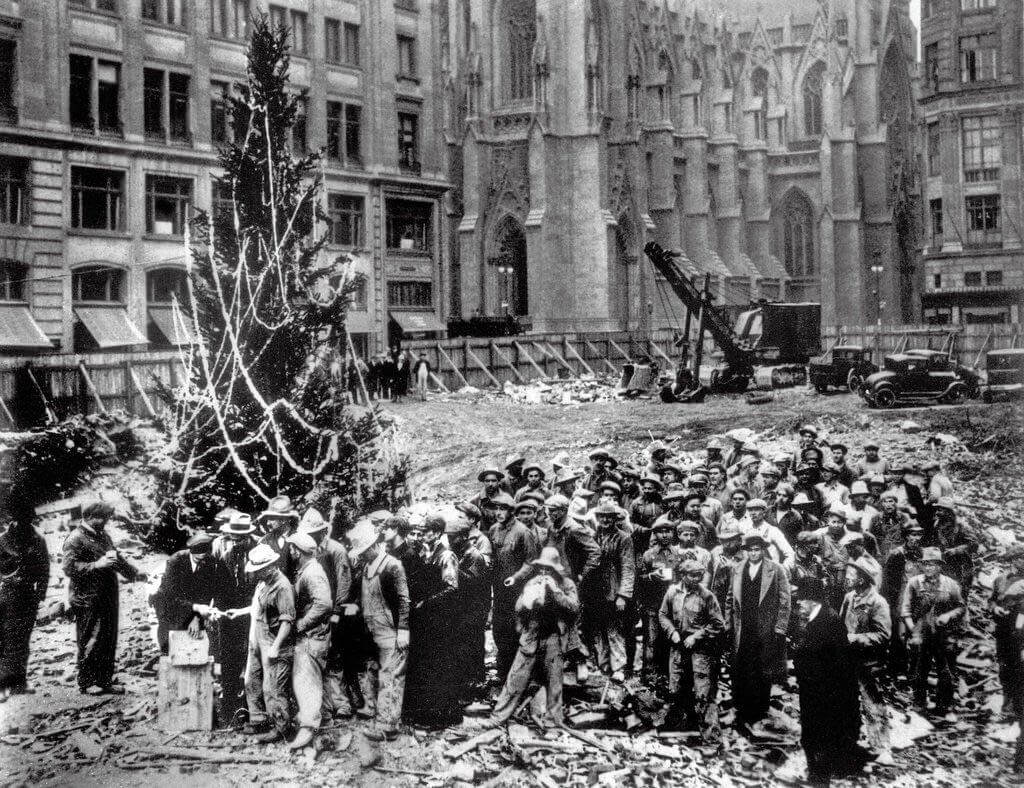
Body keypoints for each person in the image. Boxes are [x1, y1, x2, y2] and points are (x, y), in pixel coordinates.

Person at [489, 547, 580, 727]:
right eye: (542, 569)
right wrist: (530, 598)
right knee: (515, 678)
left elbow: (574, 608)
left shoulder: (566, 584)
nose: (545, 572)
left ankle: (553, 722)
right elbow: (518, 607)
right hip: (532, 634)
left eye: (549, 569)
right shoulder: (532, 582)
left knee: (554, 682)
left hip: (554, 636)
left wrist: (556, 593)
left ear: (556, 569)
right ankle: (498, 717)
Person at [62, 501, 143, 696]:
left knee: (108, 638)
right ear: (89, 517)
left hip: (108, 594)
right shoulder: (75, 538)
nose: (105, 521)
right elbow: (69, 568)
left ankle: (104, 680)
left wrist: (135, 574)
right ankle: (87, 682)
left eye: (107, 518)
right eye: (102, 518)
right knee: (91, 638)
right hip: (87, 597)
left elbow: (116, 560)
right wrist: (96, 565)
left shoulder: (103, 536)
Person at [791, 576, 865, 784]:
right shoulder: (815, 618)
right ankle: (818, 770)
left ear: (813, 600)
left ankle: (820, 776)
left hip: (825, 689)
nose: (798, 604)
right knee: (814, 730)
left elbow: (836, 660)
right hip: (813, 685)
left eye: (801, 600)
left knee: (821, 731)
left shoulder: (829, 621)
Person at [349, 518, 410, 740]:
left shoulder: (393, 566)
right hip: (372, 629)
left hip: (391, 631)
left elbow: (404, 600)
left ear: (375, 545)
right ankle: (375, 711)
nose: (363, 555)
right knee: (373, 671)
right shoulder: (366, 567)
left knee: (391, 676)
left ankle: (387, 726)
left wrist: (403, 630)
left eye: (365, 551)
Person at [298, 507, 361, 719]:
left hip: (340, 611)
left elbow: (344, 585)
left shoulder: (335, 550)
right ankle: (326, 706)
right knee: (323, 658)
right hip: (321, 612)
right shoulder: (311, 552)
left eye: (312, 533)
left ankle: (343, 703)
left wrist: (335, 615)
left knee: (338, 656)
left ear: (320, 532)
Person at [725, 533, 790, 735]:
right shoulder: (737, 568)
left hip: (765, 628)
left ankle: (760, 710)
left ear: (763, 550)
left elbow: (785, 601)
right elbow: (729, 598)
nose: (754, 553)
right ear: (745, 551)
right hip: (742, 627)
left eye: (757, 549)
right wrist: (729, 624)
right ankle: (741, 708)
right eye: (750, 550)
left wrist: (779, 628)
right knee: (742, 665)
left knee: (763, 667)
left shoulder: (776, 569)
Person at [659, 559, 725, 745]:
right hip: (678, 646)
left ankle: (711, 739)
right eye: (692, 575)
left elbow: (718, 623)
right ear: (683, 575)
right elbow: (663, 614)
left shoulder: (707, 596)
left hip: (701, 650)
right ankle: (679, 731)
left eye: (700, 575)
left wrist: (696, 636)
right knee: (676, 688)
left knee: (703, 692)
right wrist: (671, 632)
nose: (697, 579)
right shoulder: (672, 592)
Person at [404, 514, 461, 728]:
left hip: (441, 618)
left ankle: (443, 716)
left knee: (440, 665)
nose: (421, 535)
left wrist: (426, 603)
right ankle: (427, 713)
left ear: (436, 533)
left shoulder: (446, 556)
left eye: (426, 531)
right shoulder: (424, 553)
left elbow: (451, 589)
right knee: (427, 664)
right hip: (427, 618)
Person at [841, 557, 895, 766]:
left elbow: (883, 635)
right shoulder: (849, 597)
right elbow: (841, 624)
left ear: (862, 580)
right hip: (848, 660)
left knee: (873, 705)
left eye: (851, 575)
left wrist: (857, 638)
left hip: (869, 662)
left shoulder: (878, 603)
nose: (847, 578)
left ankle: (882, 748)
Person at [239, 543, 295, 743]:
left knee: (273, 688)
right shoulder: (264, 583)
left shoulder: (282, 586)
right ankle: (259, 719)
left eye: (260, 570)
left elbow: (287, 620)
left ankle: (281, 728)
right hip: (259, 637)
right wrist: (238, 613)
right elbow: (258, 609)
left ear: (270, 566)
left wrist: (276, 647)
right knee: (251, 680)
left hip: (274, 641)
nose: (257, 574)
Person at [901, 547, 965, 719]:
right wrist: (913, 631)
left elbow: (960, 607)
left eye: (932, 565)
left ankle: (945, 706)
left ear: (940, 566)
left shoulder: (950, 584)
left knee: (946, 671)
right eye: (925, 565)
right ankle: (919, 703)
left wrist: (947, 615)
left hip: (944, 634)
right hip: (922, 632)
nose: (928, 568)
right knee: (919, 668)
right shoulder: (914, 583)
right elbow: (905, 610)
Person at [211, 512, 259, 726]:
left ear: (249, 535)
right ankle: (229, 705)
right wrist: (215, 608)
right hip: (229, 612)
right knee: (228, 657)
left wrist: (249, 608)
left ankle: (252, 707)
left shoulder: (260, 550)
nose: (236, 541)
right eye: (233, 537)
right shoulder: (226, 554)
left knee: (251, 657)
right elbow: (218, 583)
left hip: (253, 609)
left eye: (241, 537)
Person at [286, 532, 333, 750]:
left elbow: (323, 604)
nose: (291, 552)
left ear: (299, 551)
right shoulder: (307, 570)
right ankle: (323, 723)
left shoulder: (312, 573)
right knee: (315, 680)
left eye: (293, 548)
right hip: (313, 636)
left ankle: (308, 728)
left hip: (311, 637)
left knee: (306, 682)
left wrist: (301, 625)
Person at [489, 492, 541, 681]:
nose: (498, 512)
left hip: (518, 590)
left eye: (502, 508)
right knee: (499, 629)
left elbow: (531, 562)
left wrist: (516, 577)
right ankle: (503, 671)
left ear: (512, 511)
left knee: (518, 629)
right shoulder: (494, 530)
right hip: (500, 589)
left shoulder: (522, 532)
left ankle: (520, 673)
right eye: (496, 508)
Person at [0, 505, 49, 697]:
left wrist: (41, 596)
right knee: (5, 640)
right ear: (13, 519)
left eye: (28, 521)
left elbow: (45, 568)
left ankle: (19, 683)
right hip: (6, 595)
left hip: (28, 595)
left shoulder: (38, 539)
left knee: (23, 641)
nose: (24, 524)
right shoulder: (3, 540)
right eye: (20, 520)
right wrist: (8, 579)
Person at [584, 501, 635, 681]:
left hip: (613, 589)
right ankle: (603, 664)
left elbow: (628, 568)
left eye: (609, 516)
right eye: (602, 516)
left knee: (615, 629)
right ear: (597, 518)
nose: (605, 520)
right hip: (595, 590)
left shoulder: (623, 538)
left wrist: (623, 595)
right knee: (597, 629)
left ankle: (619, 667)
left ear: (615, 518)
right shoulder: (592, 536)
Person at [151, 532, 225, 654]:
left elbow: (205, 594)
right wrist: (195, 608)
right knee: (171, 638)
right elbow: (172, 595)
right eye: (197, 557)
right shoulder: (176, 561)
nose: (202, 559)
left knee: (194, 638)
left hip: (192, 604)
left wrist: (196, 617)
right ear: (191, 551)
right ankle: (166, 654)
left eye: (204, 555)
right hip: (168, 603)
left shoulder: (210, 562)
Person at [447, 511, 490, 701]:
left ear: (463, 537)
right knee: (461, 647)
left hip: (475, 608)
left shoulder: (474, 556)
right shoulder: (459, 553)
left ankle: (477, 684)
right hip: (463, 608)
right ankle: (466, 684)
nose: (449, 540)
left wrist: (454, 569)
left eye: (452, 537)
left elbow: (472, 581)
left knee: (473, 645)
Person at [639, 517, 686, 680]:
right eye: (661, 532)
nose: (665, 535)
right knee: (651, 639)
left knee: (671, 639)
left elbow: (685, 578)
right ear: (655, 534)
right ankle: (649, 676)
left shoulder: (680, 555)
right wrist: (651, 576)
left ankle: (669, 675)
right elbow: (640, 577)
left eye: (668, 531)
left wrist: (675, 579)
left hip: (673, 605)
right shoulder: (648, 555)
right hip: (653, 603)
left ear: (673, 533)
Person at [881, 522, 925, 679]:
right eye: (913, 534)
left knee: (916, 633)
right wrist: (889, 603)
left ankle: (914, 670)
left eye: (919, 534)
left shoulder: (922, 554)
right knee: (899, 634)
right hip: (900, 599)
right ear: (906, 536)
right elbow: (886, 582)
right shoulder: (897, 554)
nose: (917, 538)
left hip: (919, 599)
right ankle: (896, 669)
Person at [992, 545, 1024, 722]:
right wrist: (995, 609)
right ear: (1014, 560)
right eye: (1021, 558)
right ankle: (1007, 703)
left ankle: (1018, 707)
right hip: (1003, 630)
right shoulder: (1000, 580)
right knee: (1004, 666)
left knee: (1020, 666)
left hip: (1021, 629)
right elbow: (992, 601)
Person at [933, 498, 977, 591]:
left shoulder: (961, 526)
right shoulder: (937, 524)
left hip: (961, 567)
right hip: (944, 566)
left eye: (940, 510)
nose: (937, 512)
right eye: (937, 509)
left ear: (948, 511)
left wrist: (955, 550)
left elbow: (974, 544)